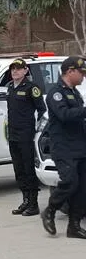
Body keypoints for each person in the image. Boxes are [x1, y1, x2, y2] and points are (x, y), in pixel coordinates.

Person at [41, 56, 86, 238]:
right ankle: (50, 210)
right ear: (70, 71)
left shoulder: (75, 93)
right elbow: (65, 115)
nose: (83, 77)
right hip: (63, 147)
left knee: (82, 188)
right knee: (70, 182)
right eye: (81, 73)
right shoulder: (55, 93)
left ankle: (73, 226)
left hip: (80, 147)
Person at [6, 58, 47, 216]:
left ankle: (34, 203)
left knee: (28, 168)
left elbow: (42, 110)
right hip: (13, 134)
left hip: (26, 133)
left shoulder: (31, 88)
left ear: (25, 71)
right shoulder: (10, 87)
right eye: (13, 69)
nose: (15, 71)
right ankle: (25, 200)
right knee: (18, 169)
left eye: (18, 68)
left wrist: (37, 129)